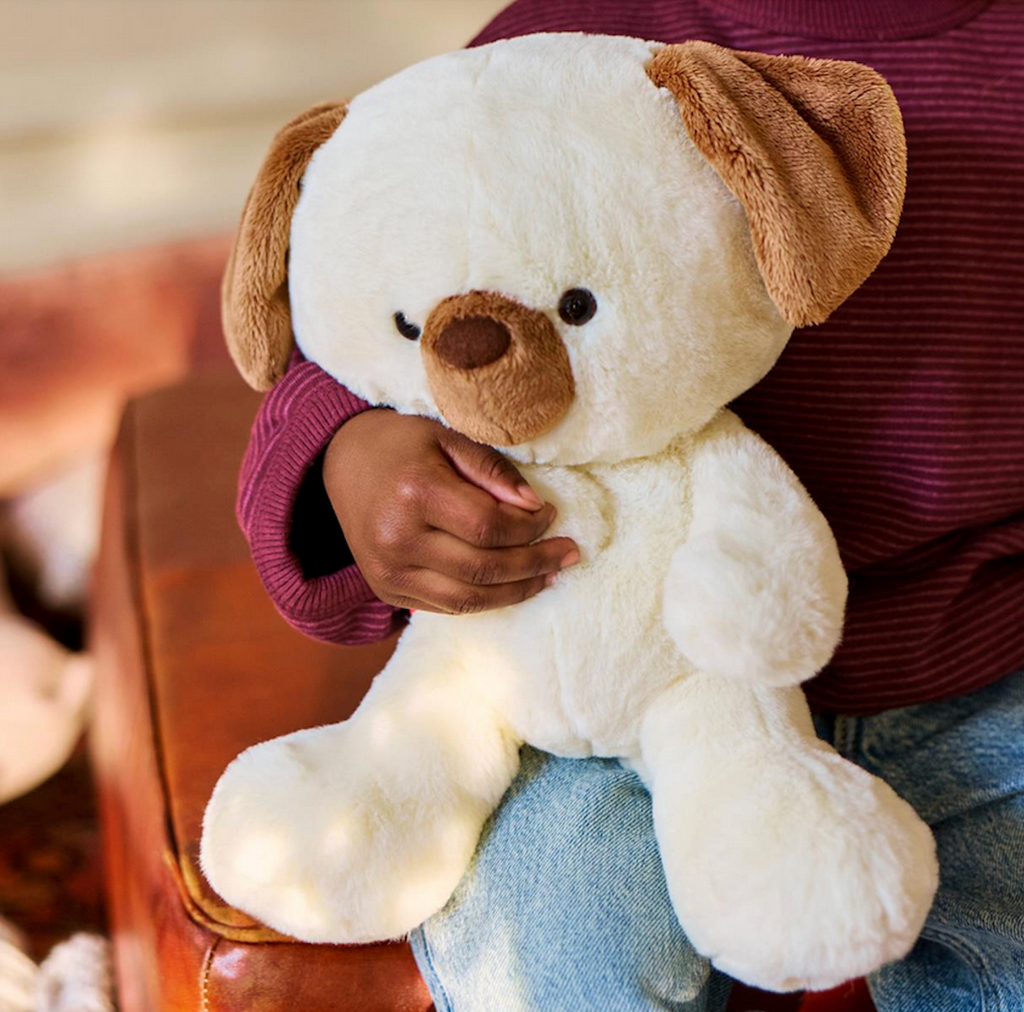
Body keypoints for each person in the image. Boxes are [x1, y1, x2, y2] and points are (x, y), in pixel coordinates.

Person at [235, 1, 1024, 1009]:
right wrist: (347, 444)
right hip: (588, 675)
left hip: (979, 663)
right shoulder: (564, 43)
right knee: (565, 946)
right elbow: (368, 301)